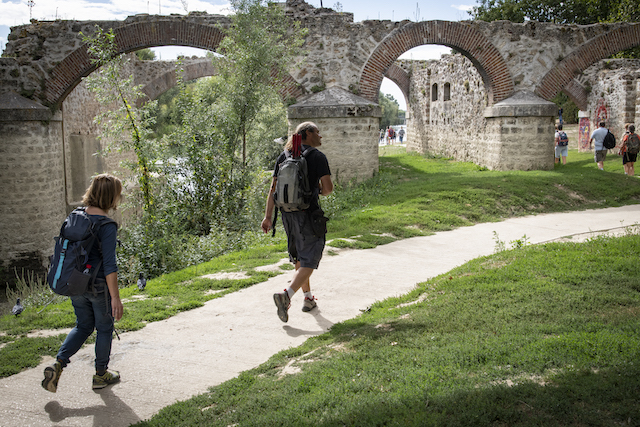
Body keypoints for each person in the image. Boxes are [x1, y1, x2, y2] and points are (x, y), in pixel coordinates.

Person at [42, 174, 124, 392]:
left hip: (75, 283)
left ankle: (58, 363)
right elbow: (110, 265)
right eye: (118, 194)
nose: (120, 198)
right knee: (104, 328)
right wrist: (115, 297)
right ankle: (100, 375)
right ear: (110, 197)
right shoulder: (106, 225)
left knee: (83, 326)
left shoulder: (76, 216)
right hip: (97, 287)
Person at [261, 122, 333, 323]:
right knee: (311, 258)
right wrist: (314, 189)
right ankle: (286, 295)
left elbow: (273, 189)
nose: (321, 136)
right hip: (308, 214)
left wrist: (268, 217)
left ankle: (308, 299)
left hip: (286, 215)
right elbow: (328, 189)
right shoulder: (318, 157)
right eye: (318, 132)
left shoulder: (284, 156)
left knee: (300, 257)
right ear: (308, 133)